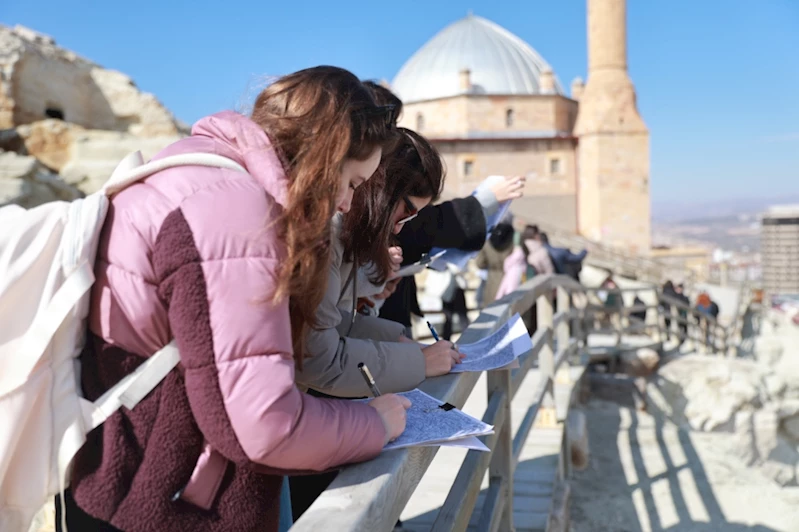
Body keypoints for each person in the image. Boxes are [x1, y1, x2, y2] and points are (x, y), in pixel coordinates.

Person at [61, 67, 411, 532]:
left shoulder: (193, 172)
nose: (348, 203)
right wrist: (375, 423)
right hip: (164, 503)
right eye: (351, 182)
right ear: (326, 158)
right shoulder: (236, 215)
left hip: (118, 477)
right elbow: (261, 425)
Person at [296, 128, 461, 398]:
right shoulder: (326, 229)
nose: (397, 229)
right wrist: (419, 362)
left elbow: (334, 324)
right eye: (406, 211)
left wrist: (406, 347)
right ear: (380, 185)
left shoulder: (343, 231)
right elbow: (317, 359)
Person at [475, 222, 516, 304]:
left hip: (492, 282)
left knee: (491, 311)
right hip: (511, 281)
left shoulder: (487, 243)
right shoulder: (512, 243)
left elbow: (479, 263)